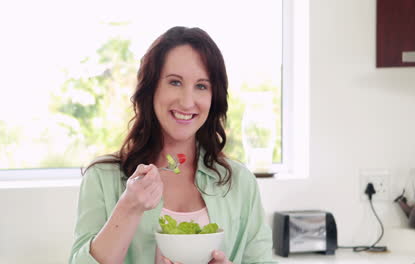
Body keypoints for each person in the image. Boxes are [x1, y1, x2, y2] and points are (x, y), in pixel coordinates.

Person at [69, 26, 275, 264]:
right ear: (151, 88)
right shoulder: (103, 179)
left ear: (213, 96)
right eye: (175, 82)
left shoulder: (240, 183)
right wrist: (129, 206)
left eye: (201, 86)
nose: (187, 102)